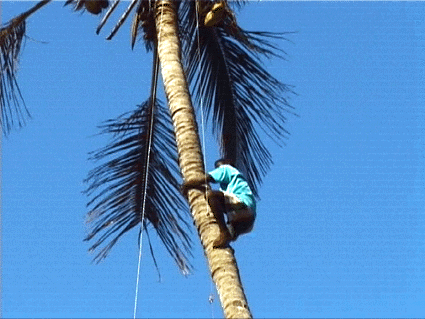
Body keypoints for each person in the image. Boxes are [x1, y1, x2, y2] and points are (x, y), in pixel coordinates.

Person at [182, 159, 256, 247]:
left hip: (243, 206)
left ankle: (224, 233)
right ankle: (229, 237)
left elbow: (206, 178)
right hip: (247, 221)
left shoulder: (227, 169)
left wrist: (189, 183)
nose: (218, 169)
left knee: (212, 196)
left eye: (218, 167)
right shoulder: (231, 186)